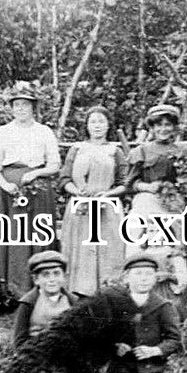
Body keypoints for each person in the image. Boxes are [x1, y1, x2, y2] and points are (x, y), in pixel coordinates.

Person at [0, 81, 62, 298]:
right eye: (17, 104)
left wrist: (36, 174)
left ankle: (40, 288)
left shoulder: (44, 131)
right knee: (11, 235)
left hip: (37, 188)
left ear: (33, 107)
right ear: (11, 108)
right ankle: (9, 290)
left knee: (37, 234)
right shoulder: (3, 132)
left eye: (25, 104)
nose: (21, 109)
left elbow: (55, 165)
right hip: (8, 189)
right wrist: (5, 184)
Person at [59, 106, 128, 297]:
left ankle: (108, 291)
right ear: (87, 126)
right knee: (81, 250)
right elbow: (64, 179)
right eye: (93, 122)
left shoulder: (115, 151)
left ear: (108, 125)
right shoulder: (77, 149)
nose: (97, 126)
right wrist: (78, 193)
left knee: (108, 250)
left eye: (101, 121)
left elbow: (124, 183)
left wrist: (109, 194)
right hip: (80, 208)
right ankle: (79, 293)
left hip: (107, 208)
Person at [106, 252, 183, 373]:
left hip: (151, 366)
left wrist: (154, 350)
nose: (143, 279)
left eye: (149, 274)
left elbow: (174, 340)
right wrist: (115, 346)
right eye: (138, 274)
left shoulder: (163, 306)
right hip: (122, 365)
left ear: (155, 279)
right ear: (126, 278)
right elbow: (103, 335)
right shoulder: (115, 304)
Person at [126, 103, 184, 231]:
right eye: (158, 125)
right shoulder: (141, 151)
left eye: (167, 125)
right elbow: (129, 184)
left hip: (173, 202)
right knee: (139, 230)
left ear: (174, 127)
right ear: (152, 127)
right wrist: (147, 187)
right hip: (147, 200)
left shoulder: (181, 151)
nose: (163, 129)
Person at [11, 251, 78, 351]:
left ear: (64, 277)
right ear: (36, 280)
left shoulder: (73, 302)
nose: (52, 279)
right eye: (46, 275)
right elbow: (19, 341)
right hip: (36, 357)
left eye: (56, 274)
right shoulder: (28, 303)